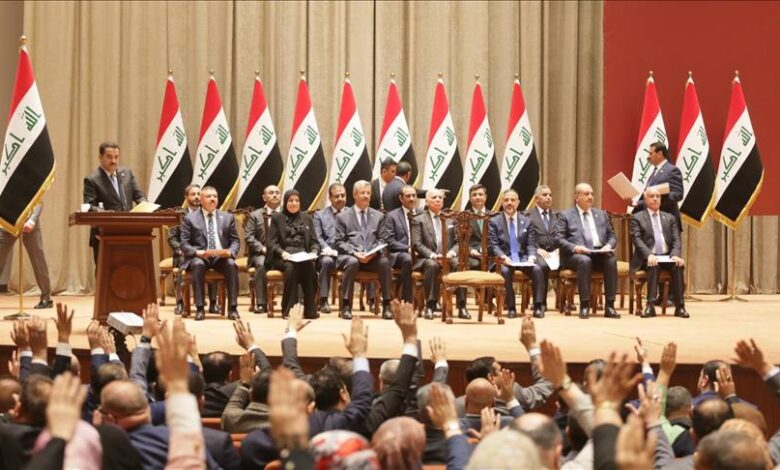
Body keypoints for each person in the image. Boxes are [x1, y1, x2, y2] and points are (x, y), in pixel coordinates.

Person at [556, 182, 620, 319]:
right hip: (575, 255)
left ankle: (610, 306)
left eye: (592, 194)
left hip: (598, 252)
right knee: (584, 261)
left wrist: (608, 246)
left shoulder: (601, 214)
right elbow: (559, 239)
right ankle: (585, 305)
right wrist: (575, 248)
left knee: (611, 260)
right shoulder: (565, 215)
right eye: (586, 194)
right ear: (577, 198)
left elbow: (612, 236)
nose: (590, 197)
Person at [179, 186, 240, 321]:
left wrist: (231, 252)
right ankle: (200, 308)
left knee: (231, 264)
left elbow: (235, 240)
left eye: (215, 196)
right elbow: (184, 244)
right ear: (201, 200)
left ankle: (233, 308)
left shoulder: (227, 217)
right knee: (198, 265)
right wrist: (197, 252)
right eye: (208, 196)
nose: (213, 199)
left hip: (220, 257)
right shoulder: (190, 218)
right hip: (200, 256)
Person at [335, 180, 394, 320]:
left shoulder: (378, 216)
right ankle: (346, 306)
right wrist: (355, 253)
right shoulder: (343, 217)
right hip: (351, 256)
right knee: (352, 262)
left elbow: (382, 239)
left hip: (371, 257)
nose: (366, 196)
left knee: (385, 263)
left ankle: (387, 305)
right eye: (362, 193)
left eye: (368, 193)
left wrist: (373, 252)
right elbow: (339, 242)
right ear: (354, 195)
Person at [629, 186, 689, 318]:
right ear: (645, 200)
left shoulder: (670, 218)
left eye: (658, 196)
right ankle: (650, 306)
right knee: (653, 264)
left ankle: (680, 307)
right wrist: (649, 255)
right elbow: (637, 240)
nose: (655, 199)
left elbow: (676, 239)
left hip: (667, 257)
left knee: (678, 265)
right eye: (652, 196)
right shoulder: (637, 217)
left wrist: (675, 255)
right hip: (646, 258)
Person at [82, 141, 146, 264]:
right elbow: (89, 206)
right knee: (106, 270)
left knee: (130, 269)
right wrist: (106, 213)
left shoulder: (126, 173)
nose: (114, 161)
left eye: (116, 157)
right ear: (100, 158)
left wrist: (147, 206)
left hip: (130, 232)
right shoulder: (92, 180)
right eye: (109, 157)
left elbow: (139, 196)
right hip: (104, 234)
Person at [411, 189, 469, 321]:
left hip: (449, 256)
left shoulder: (451, 219)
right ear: (426, 202)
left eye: (440, 197)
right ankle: (430, 305)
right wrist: (433, 255)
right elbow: (416, 244)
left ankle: (462, 306)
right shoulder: (418, 219)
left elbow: (459, 242)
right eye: (434, 197)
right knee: (432, 266)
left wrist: (451, 253)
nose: (437, 199)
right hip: (428, 257)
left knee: (459, 264)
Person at [489, 189, 546, 318]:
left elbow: (531, 244)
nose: (509, 203)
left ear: (518, 203)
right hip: (504, 259)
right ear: (502, 203)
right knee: (505, 272)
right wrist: (503, 257)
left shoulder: (527, 221)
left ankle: (538, 306)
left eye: (513, 200)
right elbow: (493, 246)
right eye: (506, 200)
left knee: (537, 269)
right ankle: (511, 307)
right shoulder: (494, 221)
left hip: (522, 258)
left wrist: (531, 256)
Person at [265, 189, 319, 319]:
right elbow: (271, 242)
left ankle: (310, 310)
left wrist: (314, 252)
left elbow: (314, 241)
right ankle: (288, 310)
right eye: (290, 201)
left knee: (310, 267)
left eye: (296, 201)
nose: (294, 203)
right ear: (285, 202)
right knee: (291, 267)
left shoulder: (307, 218)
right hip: (283, 256)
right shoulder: (277, 218)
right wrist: (282, 252)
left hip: (303, 256)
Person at [167, 184, 217, 314]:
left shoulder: (207, 213)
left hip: (203, 252)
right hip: (184, 253)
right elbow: (172, 238)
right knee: (182, 261)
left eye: (198, 194)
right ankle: (180, 303)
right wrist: (181, 249)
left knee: (214, 258)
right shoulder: (179, 215)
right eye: (193, 194)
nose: (196, 197)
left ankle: (213, 303)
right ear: (186, 197)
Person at [0, 203, 53, 309]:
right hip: (7, 224)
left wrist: (32, 220)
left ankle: (46, 298)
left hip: (29, 222)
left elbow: (38, 200)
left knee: (38, 260)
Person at [626, 142, 684, 232]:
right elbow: (650, 197)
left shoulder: (672, 170)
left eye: (651, 153)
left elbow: (678, 194)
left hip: (667, 224)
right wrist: (636, 203)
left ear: (660, 154)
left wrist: (659, 199)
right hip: (652, 224)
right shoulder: (654, 172)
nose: (648, 156)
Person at [379, 185, 416, 303]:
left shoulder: (421, 214)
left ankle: (432, 302)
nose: (411, 199)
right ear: (401, 198)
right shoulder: (392, 216)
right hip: (399, 253)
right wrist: (408, 248)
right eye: (408, 196)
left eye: (414, 196)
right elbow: (390, 241)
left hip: (420, 251)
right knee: (408, 259)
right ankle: (407, 299)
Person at [313, 183, 347, 313]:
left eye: (343, 195)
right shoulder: (320, 215)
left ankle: (370, 300)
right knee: (326, 262)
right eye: (337, 196)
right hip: (328, 253)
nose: (340, 199)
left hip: (347, 253)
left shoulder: (352, 213)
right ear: (330, 198)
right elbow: (317, 236)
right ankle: (323, 300)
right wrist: (327, 248)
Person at [526, 185, 559, 309]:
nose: (548, 197)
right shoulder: (528, 215)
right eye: (545, 195)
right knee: (543, 266)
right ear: (536, 199)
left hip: (556, 252)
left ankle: (566, 302)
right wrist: (537, 249)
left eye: (550, 195)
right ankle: (541, 302)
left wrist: (560, 249)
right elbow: (526, 237)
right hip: (538, 252)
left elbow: (562, 235)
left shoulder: (558, 215)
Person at [465, 184, 489, 270]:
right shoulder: (464, 216)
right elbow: (460, 240)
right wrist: (471, 251)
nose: (478, 197)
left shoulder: (494, 216)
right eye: (474, 195)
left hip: (490, 253)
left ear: (485, 197)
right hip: (472, 255)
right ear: (470, 198)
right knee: (476, 264)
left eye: (480, 194)